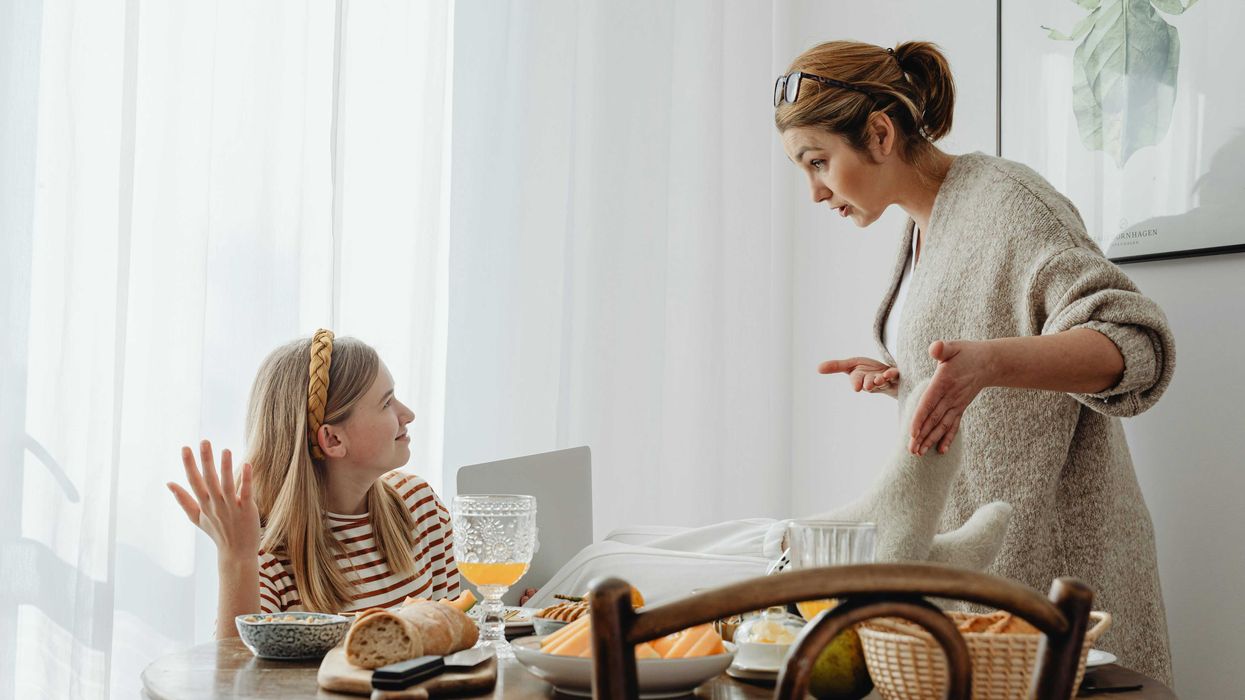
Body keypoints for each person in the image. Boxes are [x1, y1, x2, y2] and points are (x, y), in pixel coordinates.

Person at [774, 40, 1176, 684]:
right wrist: (906, 382)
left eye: (817, 162)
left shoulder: (1010, 203)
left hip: (1058, 571)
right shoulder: (923, 225)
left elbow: (1134, 347)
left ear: (879, 133)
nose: (815, 192)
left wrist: (987, 364)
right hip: (985, 577)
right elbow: (986, 353)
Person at [166, 330, 460, 638]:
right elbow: (233, 683)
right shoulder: (268, 560)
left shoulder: (420, 506)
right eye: (387, 403)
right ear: (333, 439)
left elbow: (459, 639)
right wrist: (236, 557)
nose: (408, 414)